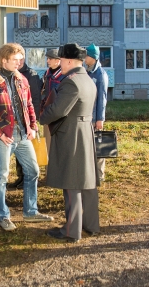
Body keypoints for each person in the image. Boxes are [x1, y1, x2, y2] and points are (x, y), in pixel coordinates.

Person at [0, 43, 54, 231]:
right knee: (1, 177)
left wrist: (33, 126)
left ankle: (30, 212)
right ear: (4, 60)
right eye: (15, 59)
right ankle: (3, 216)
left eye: (21, 59)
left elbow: (29, 105)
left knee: (33, 171)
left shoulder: (22, 79)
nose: (19, 62)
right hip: (5, 136)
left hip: (23, 135)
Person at [38, 43, 100, 243]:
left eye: (62, 60)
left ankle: (71, 231)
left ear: (70, 61)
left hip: (71, 135)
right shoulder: (87, 79)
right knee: (87, 181)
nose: (60, 63)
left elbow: (58, 110)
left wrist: (42, 116)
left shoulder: (71, 82)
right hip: (85, 132)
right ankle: (91, 225)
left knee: (71, 182)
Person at [11, 57, 43, 189]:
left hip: (27, 121)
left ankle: (27, 178)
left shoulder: (31, 75)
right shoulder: (13, 73)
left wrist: (33, 121)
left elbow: (34, 99)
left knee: (28, 153)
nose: (16, 62)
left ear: (22, 59)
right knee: (18, 152)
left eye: (18, 59)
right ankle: (21, 177)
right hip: (17, 121)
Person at [85, 44, 109, 184]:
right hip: (86, 117)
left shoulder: (100, 74)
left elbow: (102, 98)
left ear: (93, 57)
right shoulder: (86, 71)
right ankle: (90, 174)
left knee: (98, 147)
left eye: (87, 55)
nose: (84, 58)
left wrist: (100, 119)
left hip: (95, 118)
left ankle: (99, 175)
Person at [40, 48, 65, 154]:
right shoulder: (47, 74)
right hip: (47, 113)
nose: (47, 61)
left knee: (60, 145)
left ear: (58, 60)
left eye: (50, 59)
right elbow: (43, 91)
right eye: (47, 58)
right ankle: (49, 165)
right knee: (48, 144)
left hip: (59, 114)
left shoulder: (64, 75)